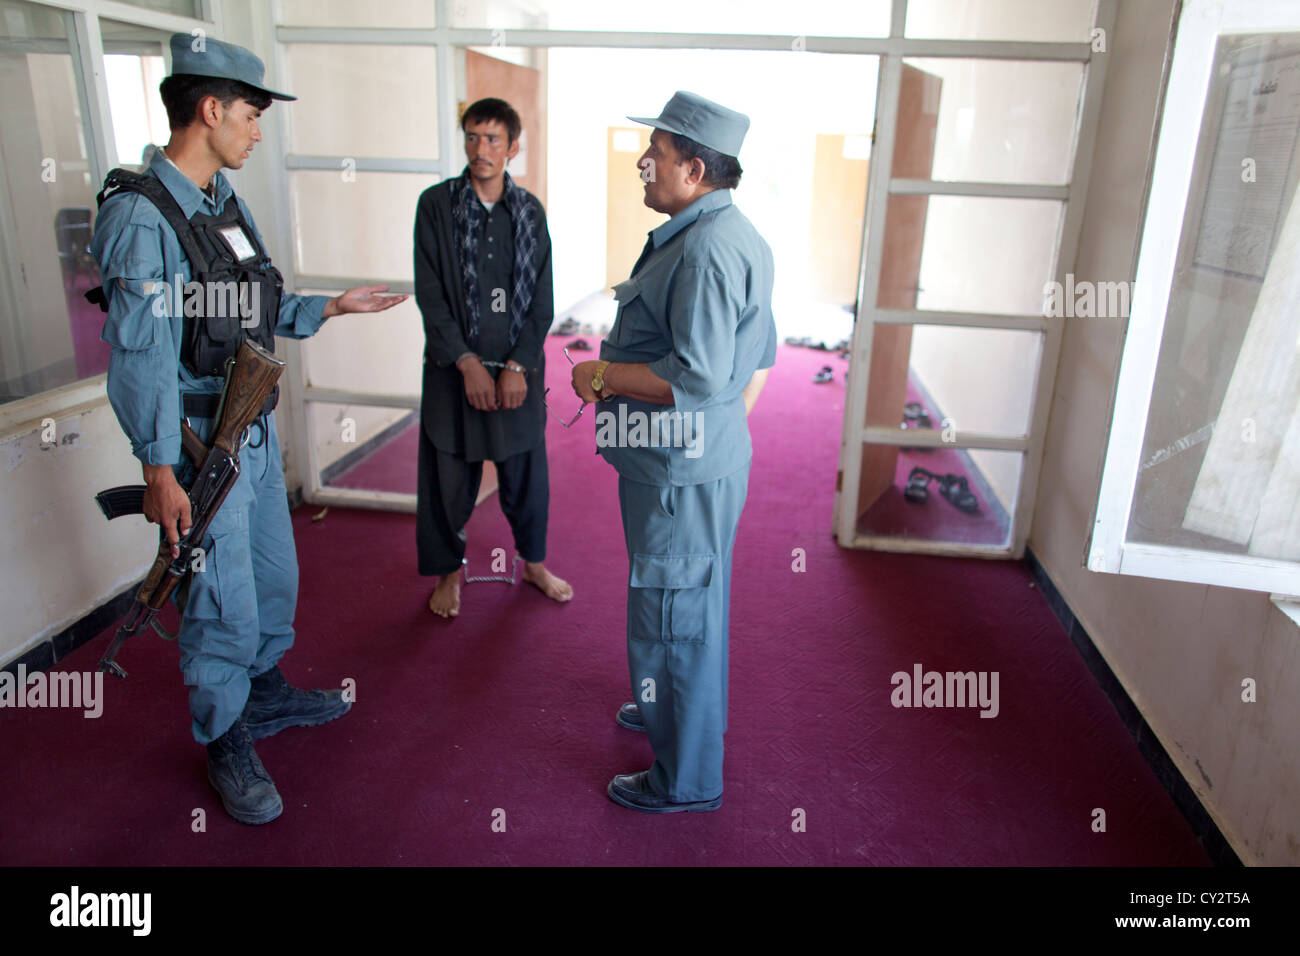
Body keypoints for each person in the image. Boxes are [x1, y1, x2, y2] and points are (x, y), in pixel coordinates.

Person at [90, 34, 406, 825]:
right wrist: (160, 468)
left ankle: (262, 692)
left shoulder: (222, 203)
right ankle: (224, 734)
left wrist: (326, 307)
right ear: (210, 109)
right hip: (201, 444)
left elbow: (252, 307)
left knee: (270, 578)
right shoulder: (140, 217)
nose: (258, 131)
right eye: (252, 115)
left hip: (252, 428)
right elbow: (141, 359)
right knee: (220, 601)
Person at [570, 91, 776, 813]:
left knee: (671, 615)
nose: (642, 165)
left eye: (653, 156)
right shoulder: (720, 233)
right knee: (693, 601)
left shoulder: (710, 250)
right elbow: (755, 357)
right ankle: (677, 712)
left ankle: (685, 778)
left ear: (693, 169)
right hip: (694, 461)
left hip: (679, 470)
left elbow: (694, 376)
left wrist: (598, 376)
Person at [413, 97, 572, 619]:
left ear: (514, 148)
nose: (481, 150)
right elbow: (430, 293)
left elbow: (542, 298)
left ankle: (534, 563)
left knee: (527, 475)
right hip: (452, 374)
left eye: (494, 140)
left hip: (518, 378)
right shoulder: (435, 205)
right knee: (447, 478)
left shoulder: (529, 212)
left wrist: (518, 366)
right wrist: (467, 362)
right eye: (473, 137)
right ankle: (447, 574)